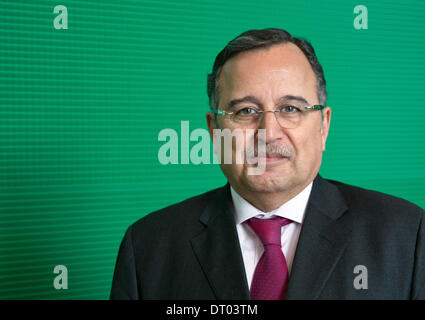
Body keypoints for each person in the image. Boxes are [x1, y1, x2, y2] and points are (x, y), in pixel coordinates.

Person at [110, 28, 425, 300]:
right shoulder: (148, 248)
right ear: (214, 130)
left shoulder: (407, 236)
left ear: (323, 125)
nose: (268, 133)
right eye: (245, 111)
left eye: (290, 108)